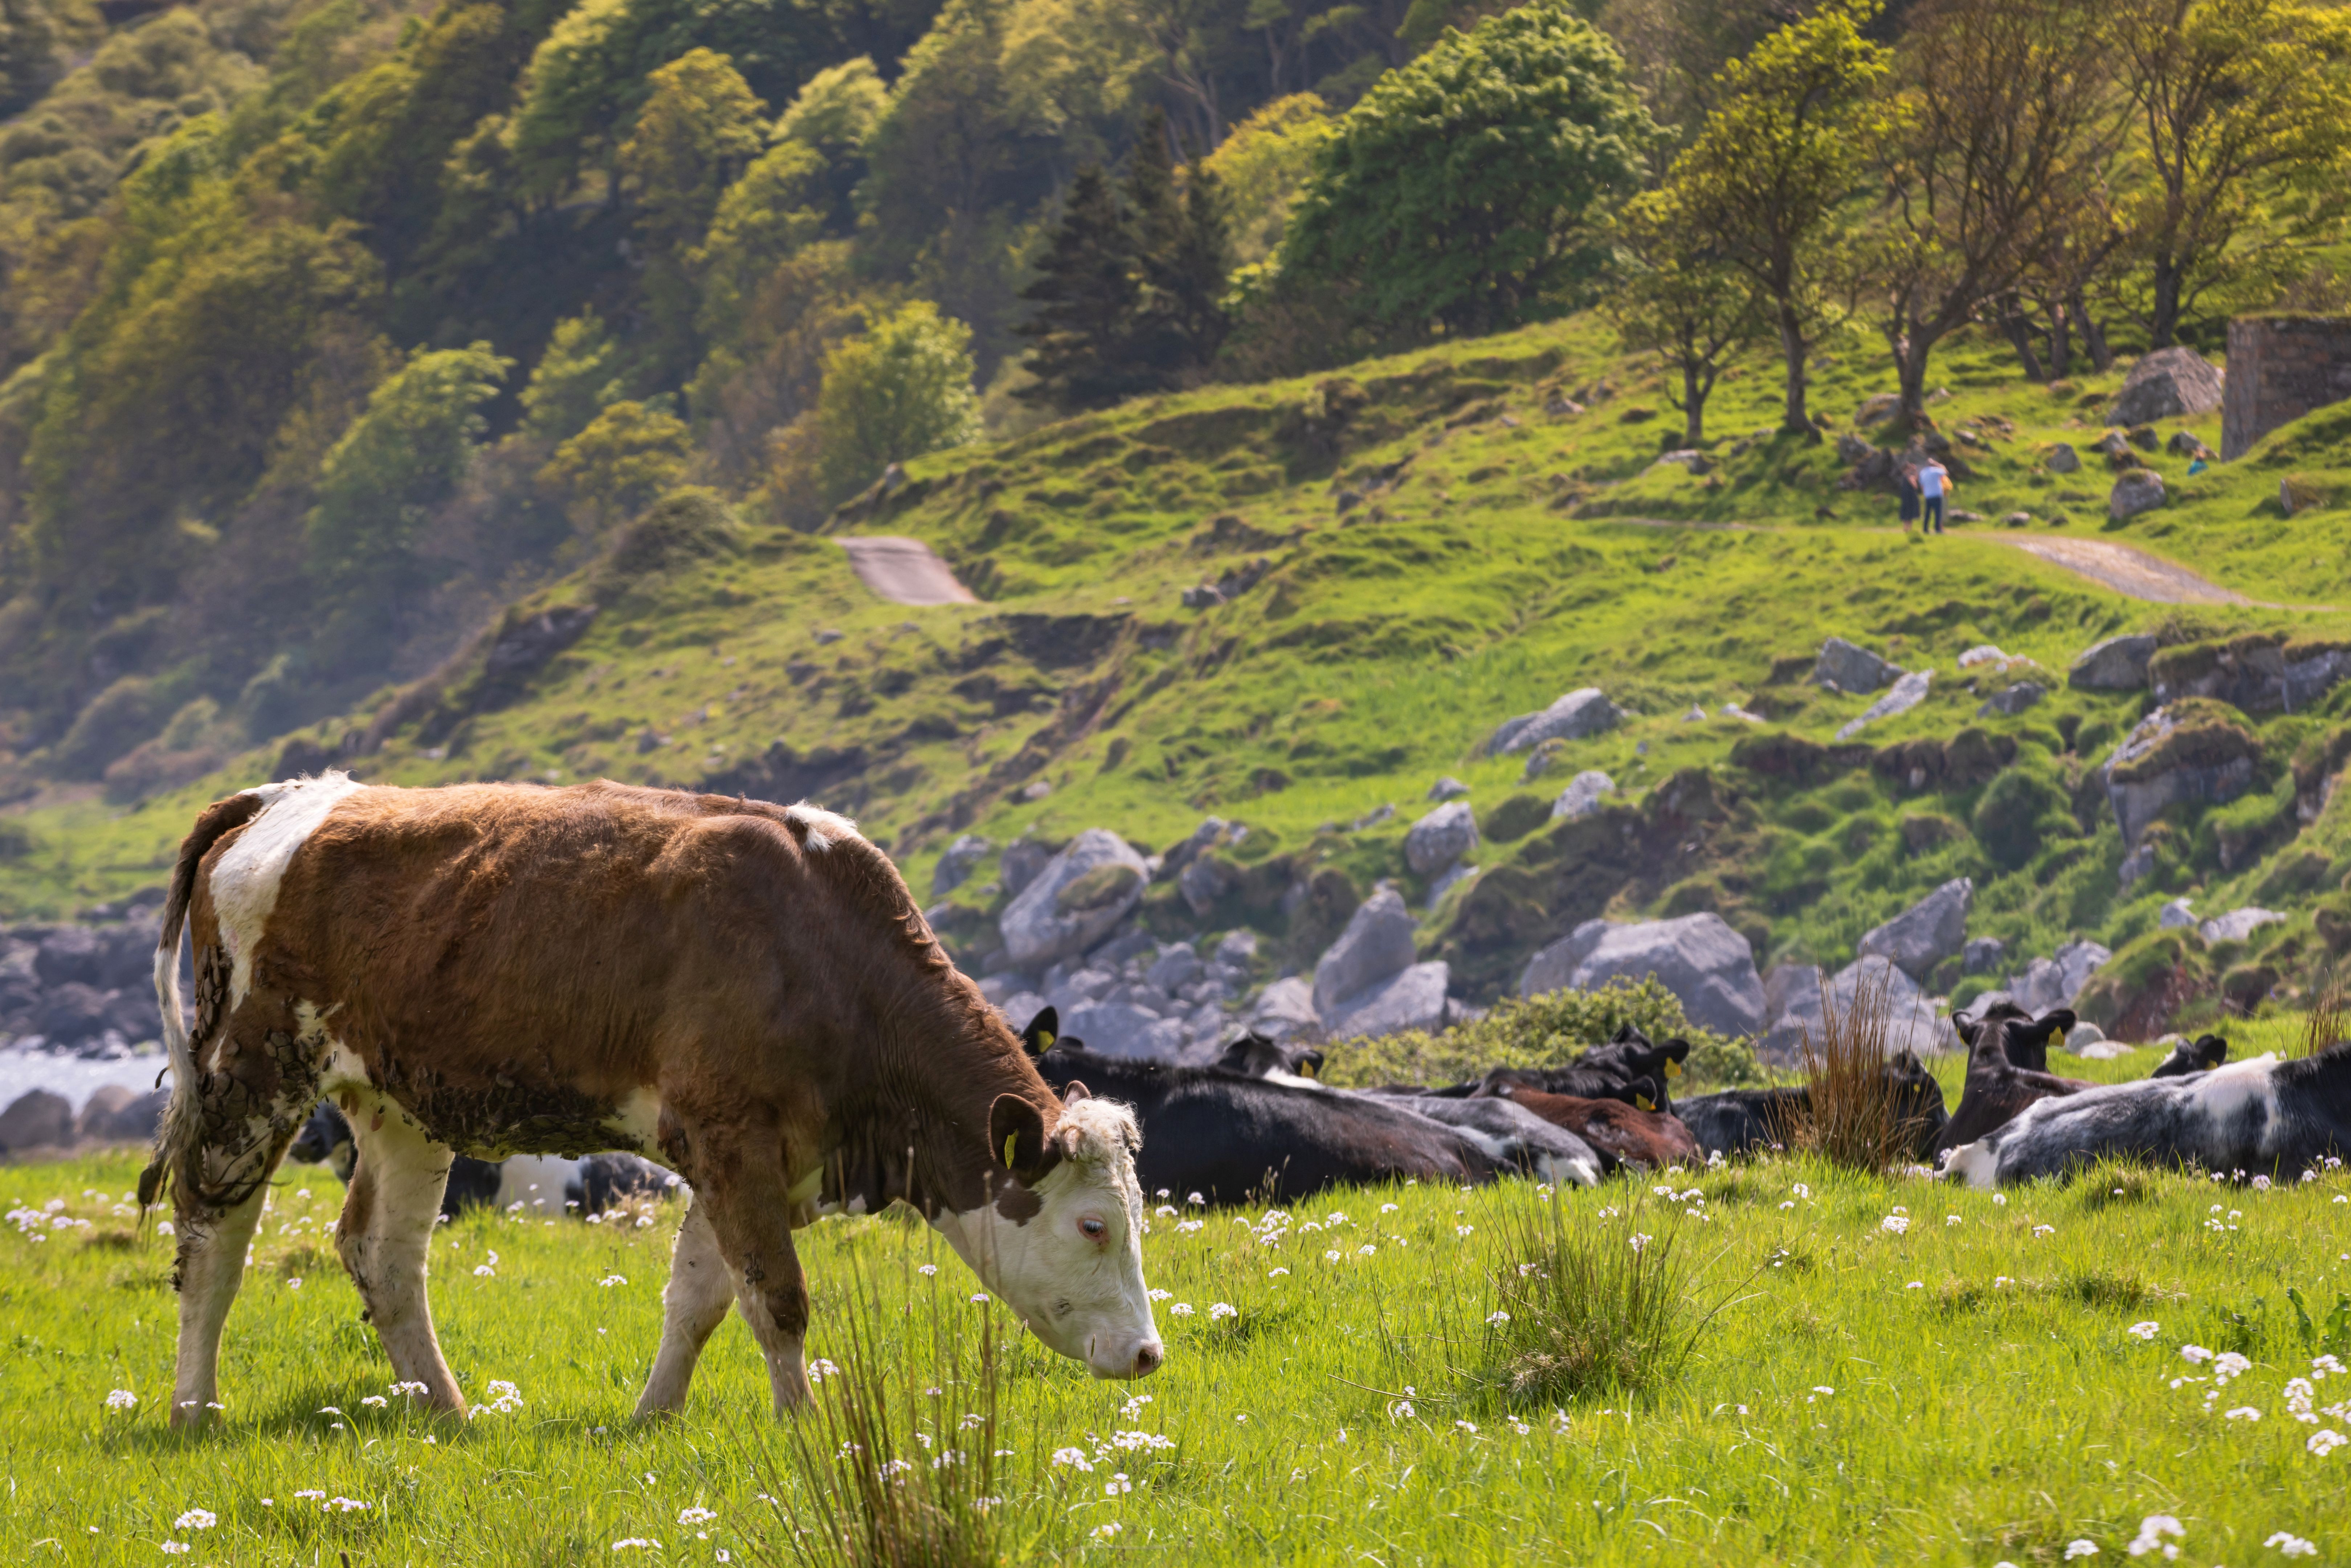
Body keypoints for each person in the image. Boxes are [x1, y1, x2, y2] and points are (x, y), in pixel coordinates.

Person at [1918, 455, 1952, 534]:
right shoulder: (1936, 471)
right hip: (1936, 494)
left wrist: (1925, 493)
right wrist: (1937, 464)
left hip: (1928, 495)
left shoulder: (1923, 473)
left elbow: (1922, 485)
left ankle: (1925, 529)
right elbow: (1946, 472)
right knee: (1938, 513)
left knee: (1928, 513)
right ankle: (1938, 529)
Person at [1897, 465, 1921, 530]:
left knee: (1906, 512)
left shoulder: (1904, 476)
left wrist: (1915, 471)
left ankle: (1906, 528)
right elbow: (1915, 485)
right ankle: (1908, 528)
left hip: (1905, 497)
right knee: (1910, 513)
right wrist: (1915, 471)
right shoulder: (1909, 477)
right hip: (1910, 497)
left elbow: (1916, 478)